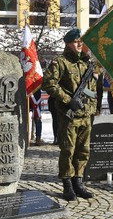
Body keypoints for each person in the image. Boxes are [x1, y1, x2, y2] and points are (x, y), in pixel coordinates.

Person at [42, 28, 98, 201]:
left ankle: (78, 182)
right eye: (75, 41)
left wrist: (92, 107)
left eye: (81, 41)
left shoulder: (87, 63)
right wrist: (68, 100)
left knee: (84, 151)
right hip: (69, 116)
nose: (80, 44)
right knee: (68, 150)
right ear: (68, 43)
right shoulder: (60, 62)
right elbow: (49, 84)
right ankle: (67, 185)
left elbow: (93, 89)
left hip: (85, 114)